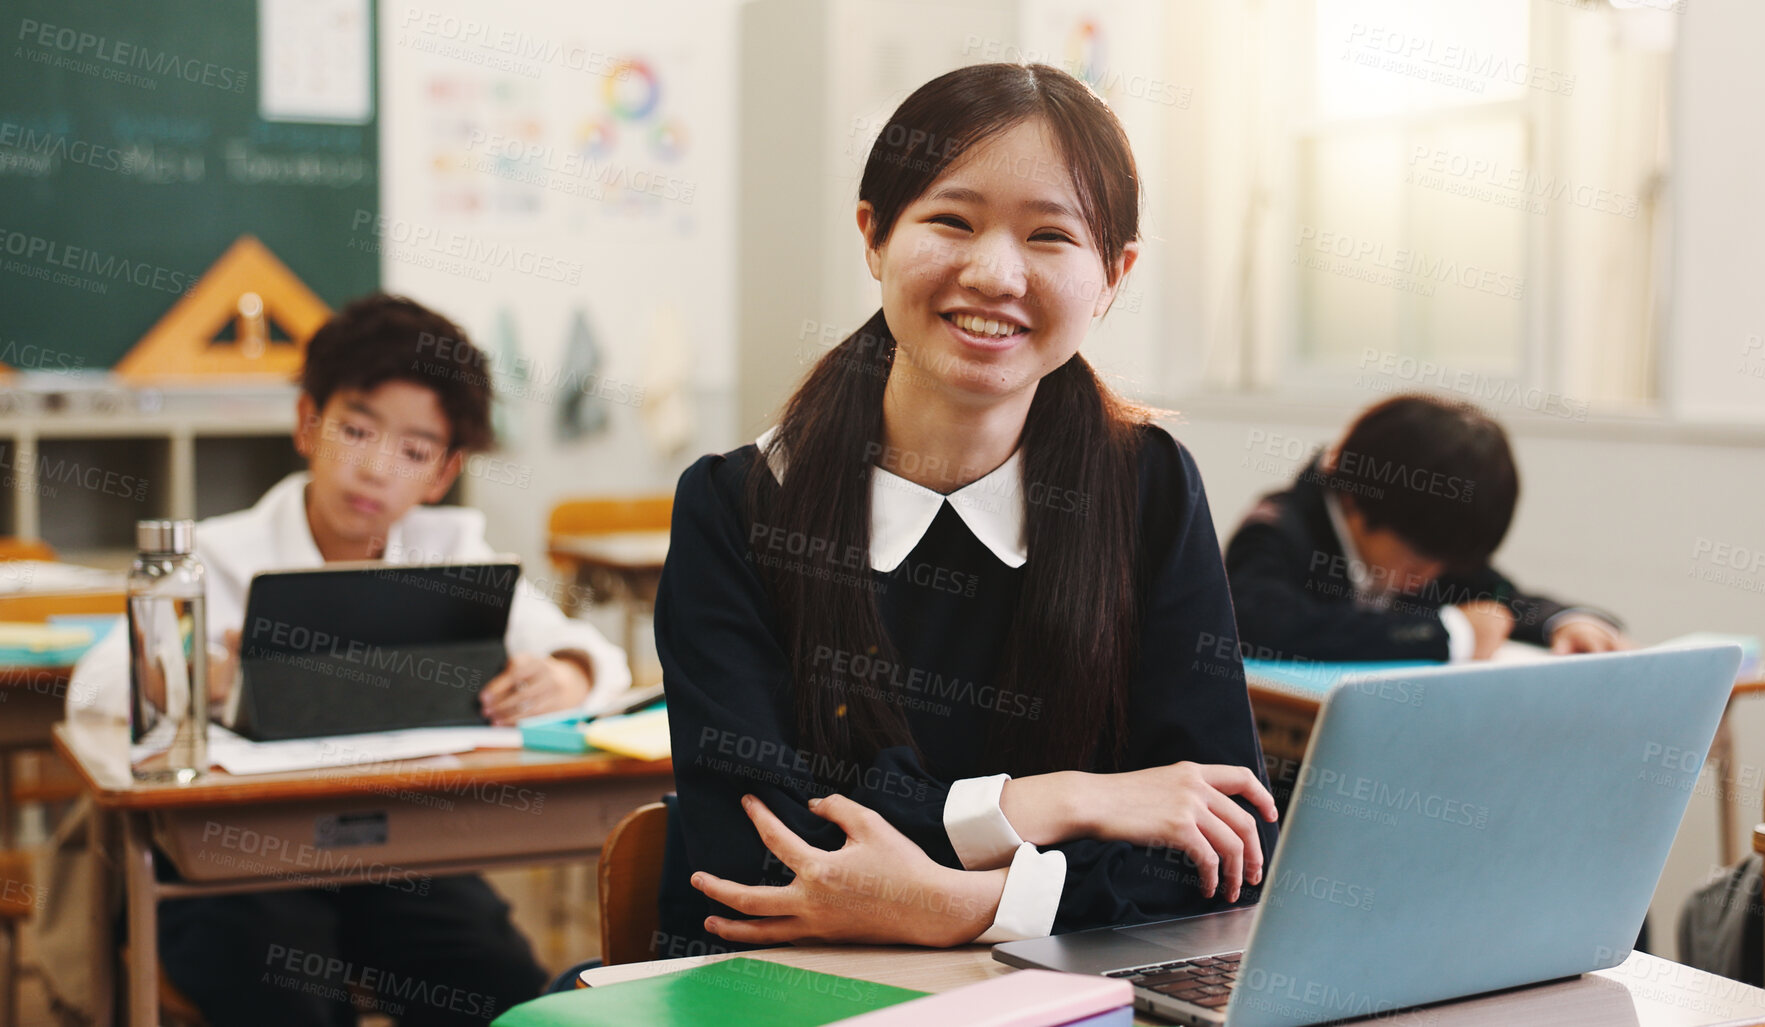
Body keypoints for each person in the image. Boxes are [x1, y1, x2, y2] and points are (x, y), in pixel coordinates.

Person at [655, 62, 1278, 955]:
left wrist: (959, 903)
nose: (993, 273)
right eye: (951, 220)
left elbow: (1218, 850)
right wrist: (1058, 800)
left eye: (1050, 237)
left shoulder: (1147, 485)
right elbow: (757, 859)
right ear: (873, 235)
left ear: (1112, 274)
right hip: (791, 985)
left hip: (1057, 993)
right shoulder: (740, 501)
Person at [64, 294, 630, 1026]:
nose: (374, 467)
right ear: (308, 423)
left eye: (414, 451)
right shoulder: (216, 556)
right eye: (356, 429)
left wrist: (564, 673)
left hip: (400, 858)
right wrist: (205, 676)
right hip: (234, 868)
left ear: (442, 471)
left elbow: (597, 657)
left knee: (504, 988)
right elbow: (95, 685)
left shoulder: (448, 552)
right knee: (290, 995)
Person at [1224, 393, 1627, 664]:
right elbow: (1261, 625)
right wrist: (1449, 633)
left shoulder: (1425, 537)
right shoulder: (1276, 530)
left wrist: (1567, 621)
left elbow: (1501, 598)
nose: (1429, 578)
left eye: (1443, 564)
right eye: (1419, 560)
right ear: (1354, 501)